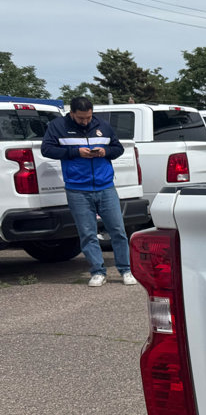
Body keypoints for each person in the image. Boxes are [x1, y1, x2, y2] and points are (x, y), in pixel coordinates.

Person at [40, 97, 135, 286]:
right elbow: (47, 150)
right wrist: (75, 152)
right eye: (81, 118)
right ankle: (98, 272)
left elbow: (118, 149)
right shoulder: (58, 126)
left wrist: (105, 151)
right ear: (72, 113)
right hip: (77, 189)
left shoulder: (104, 126)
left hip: (106, 186)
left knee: (118, 230)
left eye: (88, 117)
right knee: (87, 232)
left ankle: (126, 270)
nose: (85, 121)